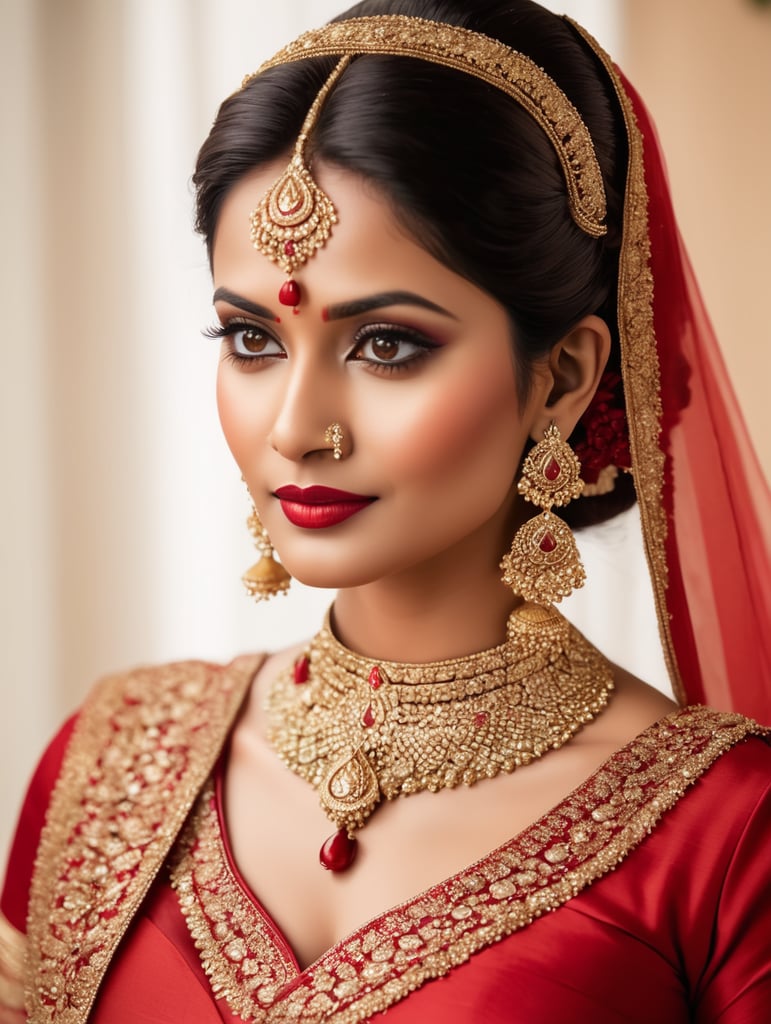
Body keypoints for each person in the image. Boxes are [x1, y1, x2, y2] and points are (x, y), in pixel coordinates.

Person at [2, 1, 770, 1020]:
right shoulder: (109, 761)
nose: (294, 426)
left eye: (387, 345)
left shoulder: (727, 837)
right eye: (251, 339)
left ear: (564, 377)